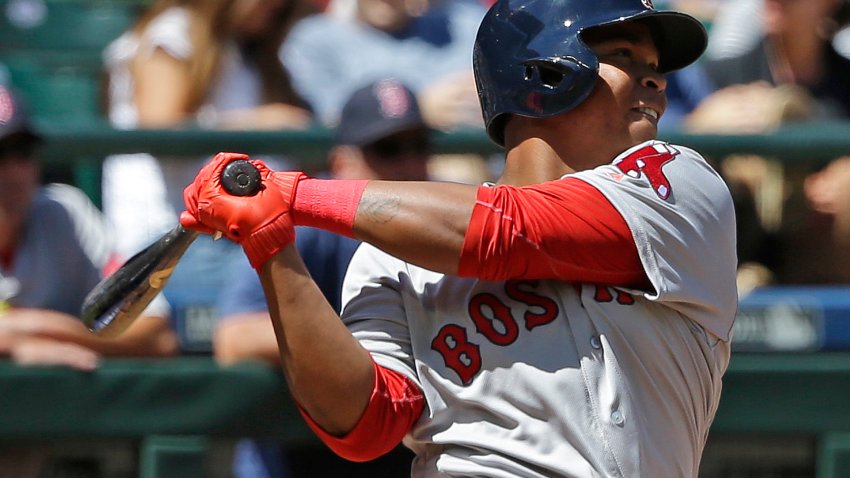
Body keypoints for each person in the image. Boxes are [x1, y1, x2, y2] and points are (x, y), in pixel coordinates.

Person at [181, 0, 738, 476]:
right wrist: (271, 245)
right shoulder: (398, 249)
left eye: (653, 64)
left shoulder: (681, 185)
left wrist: (294, 196)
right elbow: (366, 422)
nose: (657, 80)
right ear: (546, 70)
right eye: (624, 56)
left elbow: (511, 229)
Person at [217, 77, 430, 477]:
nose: (409, 165)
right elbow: (234, 338)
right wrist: (360, 347)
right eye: (387, 149)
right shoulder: (308, 224)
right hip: (297, 459)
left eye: (419, 147)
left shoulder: (438, 229)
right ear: (341, 163)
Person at [102, 0, 316, 260]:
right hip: (172, 238)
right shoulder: (172, 32)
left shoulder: (244, 49)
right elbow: (159, 132)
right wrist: (258, 124)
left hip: (241, 231)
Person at [280, 0, 487, 131]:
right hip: (375, 178)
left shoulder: (460, 24)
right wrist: (421, 110)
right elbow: (335, 120)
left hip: (469, 172)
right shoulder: (315, 39)